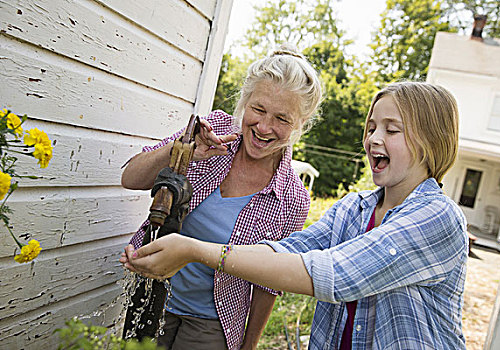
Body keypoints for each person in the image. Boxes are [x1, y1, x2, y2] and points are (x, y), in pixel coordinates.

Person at [122, 81, 469, 349]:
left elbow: (335, 274)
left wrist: (195, 250)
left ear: (432, 142)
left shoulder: (437, 218)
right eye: (371, 127)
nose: (373, 138)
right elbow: (287, 250)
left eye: (391, 130)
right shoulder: (354, 209)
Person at [120, 46, 323, 350]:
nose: (265, 127)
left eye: (282, 118)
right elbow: (130, 177)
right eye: (258, 109)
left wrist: (249, 345)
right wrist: (184, 150)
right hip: (151, 297)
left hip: (213, 324)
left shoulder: (293, 198)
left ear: (300, 123)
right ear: (244, 102)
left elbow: (268, 284)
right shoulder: (210, 132)